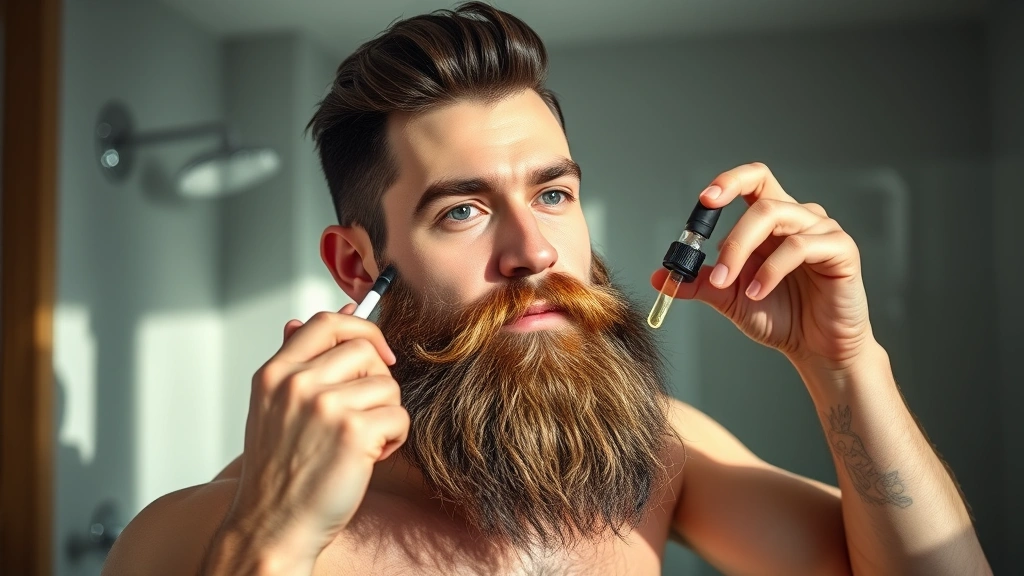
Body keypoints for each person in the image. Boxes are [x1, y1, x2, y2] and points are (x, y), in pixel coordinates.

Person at [103, 3, 990, 574]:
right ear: (353, 265)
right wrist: (269, 544)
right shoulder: (203, 534)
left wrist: (845, 363)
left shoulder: (657, 452)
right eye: (462, 211)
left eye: (554, 194)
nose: (535, 250)